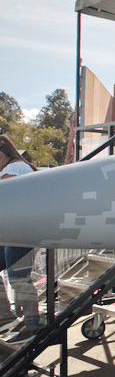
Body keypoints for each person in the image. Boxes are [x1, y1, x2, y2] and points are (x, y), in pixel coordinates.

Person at [0, 135, 41, 341]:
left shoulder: (16, 168)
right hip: (14, 232)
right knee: (18, 278)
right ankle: (5, 316)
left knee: (19, 279)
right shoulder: (12, 168)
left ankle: (33, 325)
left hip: (22, 232)